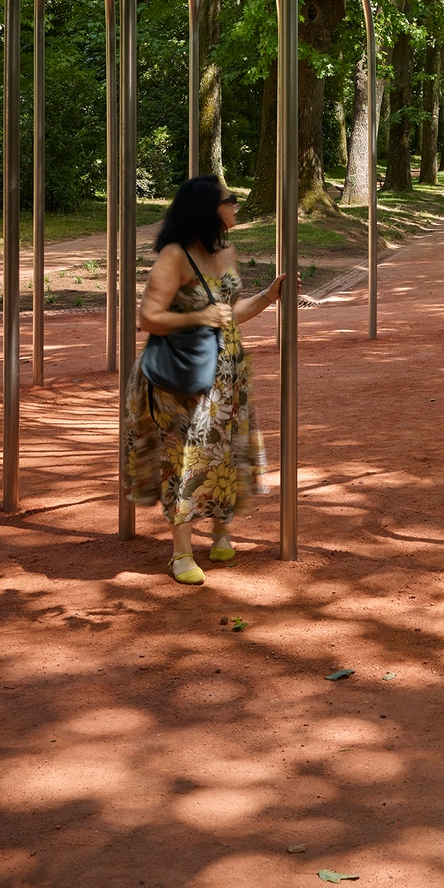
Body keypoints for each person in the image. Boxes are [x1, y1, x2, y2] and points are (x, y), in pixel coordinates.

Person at [128, 175, 286, 584]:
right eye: (230, 200)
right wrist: (198, 317)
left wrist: (269, 296)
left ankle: (221, 532)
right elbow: (148, 318)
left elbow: (228, 311)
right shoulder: (174, 256)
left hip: (227, 376)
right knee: (182, 458)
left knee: (225, 453)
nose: (236, 205)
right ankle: (181, 553)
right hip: (179, 380)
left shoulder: (225, 249)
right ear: (206, 208)